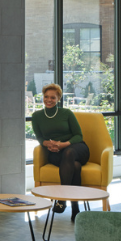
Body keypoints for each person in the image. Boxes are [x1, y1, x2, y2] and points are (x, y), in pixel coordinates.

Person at [30, 83, 88, 221]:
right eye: (46, 97)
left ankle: (61, 199)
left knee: (69, 154)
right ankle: (75, 208)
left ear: (58, 99)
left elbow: (78, 135)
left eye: (52, 97)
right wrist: (47, 144)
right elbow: (40, 137)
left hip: (76, 148)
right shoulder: (37, 116)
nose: (49, 100)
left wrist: (64, 145)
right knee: (75, 166)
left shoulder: (66, 113)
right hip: (55, 153)